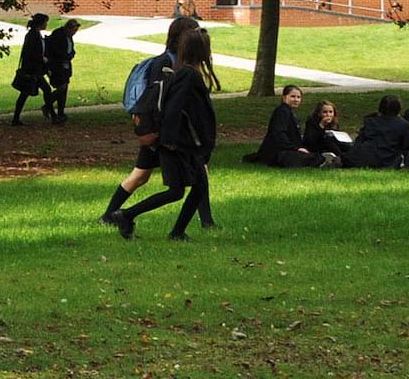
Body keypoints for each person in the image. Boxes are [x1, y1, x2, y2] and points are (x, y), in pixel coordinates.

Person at [108, 29, 219, 241]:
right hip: (178, 144)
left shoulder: (186, 73)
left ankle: (177, 232)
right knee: (177, 191)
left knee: (198, 187)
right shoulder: (188, 75)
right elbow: (174, 109)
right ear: (201, 50)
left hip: (185, 144)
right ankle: (126, 215)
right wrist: (169, 141)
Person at [100, 17, 201, 224]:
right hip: (160, 133)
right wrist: (163, 134)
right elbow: (159, 101)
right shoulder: (166, 63)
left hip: (161, 132)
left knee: (140, 176)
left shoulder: (177, 62)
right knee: (177, 187)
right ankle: (117, 216)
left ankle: (109, 216)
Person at [244, 85, 334, 168]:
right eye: (292, 96)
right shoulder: (281, 112)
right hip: (278, 152)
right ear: (284, 98)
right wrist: (296, 148)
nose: (296, 99)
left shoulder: (289, 112)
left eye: (298, 97)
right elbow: (279, 135)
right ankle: (323, 161)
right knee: (305, 157)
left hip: (288, 149)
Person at [10, 14, 54, 126]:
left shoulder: (35, 34)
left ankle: (16, 118)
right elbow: (32, 53)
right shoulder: (33, 35)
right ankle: (53, 115)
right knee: (45, 90)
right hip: (33, 70)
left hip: (35, 69)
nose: (46, 24)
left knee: (26, 93)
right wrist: (43, 59)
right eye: (45, 22)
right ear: (41, 23)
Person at [344, 95, 409, 169]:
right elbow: (405, 146)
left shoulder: (370, 121)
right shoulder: (403, 125)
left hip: (367, 158)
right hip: (389, 161)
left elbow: (359, 141)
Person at [45, 19, 80, 123]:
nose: (74, 33)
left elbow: (70, 49)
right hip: (57, 65)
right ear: (68, 28)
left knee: (64, 90)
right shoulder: (58, 34)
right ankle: (48, 104)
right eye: (74, 30)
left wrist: (71, 54)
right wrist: (65, 56)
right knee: (62, 88)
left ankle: (61, 112)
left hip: (65, 66)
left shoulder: (69, 37)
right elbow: (55, 50)